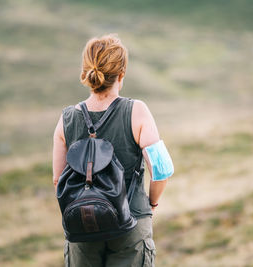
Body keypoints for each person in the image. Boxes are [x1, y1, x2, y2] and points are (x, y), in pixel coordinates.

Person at [52, 34, 173, 266]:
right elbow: (161, 170)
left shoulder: (66, 118)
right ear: (121, 74)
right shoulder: (137, 111)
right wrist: (151, 204)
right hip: (131, 222)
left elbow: (59, 180)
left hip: (82, 229)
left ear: (86, 72)